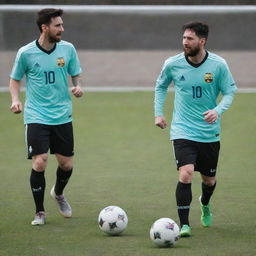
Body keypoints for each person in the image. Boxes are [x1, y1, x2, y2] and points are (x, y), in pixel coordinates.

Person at [154, 21, 237, 237]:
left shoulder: (218, 65)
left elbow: (229, 92)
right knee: (186, 173)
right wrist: (158, 113)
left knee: (209, 180)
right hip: (182, 130)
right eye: (183, 38)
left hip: (209, 133)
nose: (185, 42)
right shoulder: (173, 63)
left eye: (189, 39)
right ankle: (184, 225)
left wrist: (217, 110)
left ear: (202, 41)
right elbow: (160, 86)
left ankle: (205, 203)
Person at [9, 8, 83, 225]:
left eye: (61, 24)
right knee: (40, 162)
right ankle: (39, 212)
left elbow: (75, 73)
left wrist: (78, 86)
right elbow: (15, 79)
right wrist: (15, 99)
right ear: (45, 28)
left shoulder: (68, 49)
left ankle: (58, 193)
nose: (62, 29)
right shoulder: (26, 52)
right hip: (36, 116)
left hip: (62, 115)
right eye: (57, 25)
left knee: (66, 165)